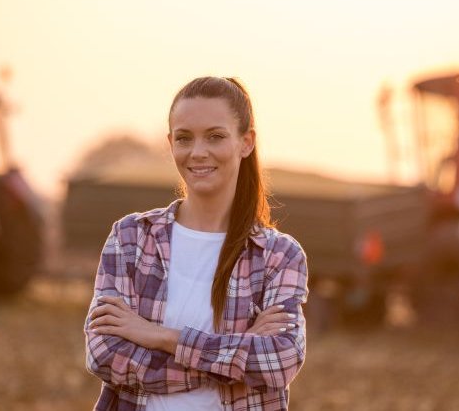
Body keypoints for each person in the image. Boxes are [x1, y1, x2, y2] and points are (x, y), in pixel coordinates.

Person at [85, 77, 308, 411]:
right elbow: (104, 353)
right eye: (184, 138)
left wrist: (160, 336)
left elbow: (280, 360)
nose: (198, 152)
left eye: (215, 137)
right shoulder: (131, 238)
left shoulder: (279, 255)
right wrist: (236, 357)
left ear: (245, 142)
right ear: (170, 143)